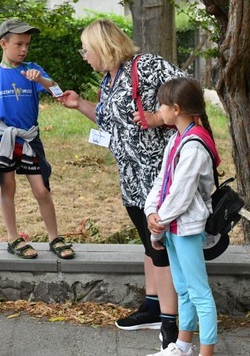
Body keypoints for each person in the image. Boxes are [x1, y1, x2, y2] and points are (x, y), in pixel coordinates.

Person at [58, 18, 184, 348]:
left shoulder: (147, 66)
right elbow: (107, 118)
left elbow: (186, 91)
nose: (84, 55)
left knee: (161, 248)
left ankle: (171, 324)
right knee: (148, 244)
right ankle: (154, 307)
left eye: (86, 49)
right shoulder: (109, 79)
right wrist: (78, 105)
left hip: (156, 176)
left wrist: (158, 117)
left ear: (102, 46)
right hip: (131, 179)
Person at [0, 18, 75, 260]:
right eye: (19, 44)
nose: (24, 49)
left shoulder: (33, 69)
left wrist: (40, 79)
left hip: (29, 138)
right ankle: (13, 238)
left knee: (41, 189)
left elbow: (57, 92)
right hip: (3, 138)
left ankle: (54, 237)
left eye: (27, 44)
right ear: (3, 43)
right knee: (8, 186)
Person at [144, 77, 218, 356]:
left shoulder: (195, 145)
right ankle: (183, 346)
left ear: (176, 108)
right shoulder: (177, 138)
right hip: (172, 226)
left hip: (186, 228)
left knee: (199, 293)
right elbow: (162, 182)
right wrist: (152, 212)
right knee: (183, 289)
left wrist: (157, 226)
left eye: (161, 105)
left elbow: (180, 195)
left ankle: (206, 352)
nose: (158, 110)